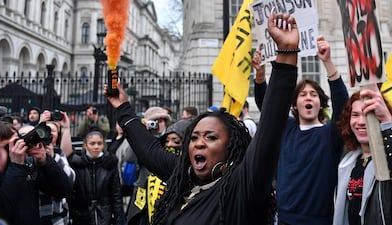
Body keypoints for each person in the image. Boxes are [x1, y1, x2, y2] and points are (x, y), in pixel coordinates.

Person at [105, 11, 299, 225]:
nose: (199, 143)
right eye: (195, 137)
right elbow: (149, 150)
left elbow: (270, 129)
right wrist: (123, 107)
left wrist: (286, 54)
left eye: (211, 137)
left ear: (230, 148)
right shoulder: (184, 176)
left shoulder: (240, 188)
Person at [253, 35, 349, 225]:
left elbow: (342, 105)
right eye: (303, 95)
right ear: (295, 105)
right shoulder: (286, 129)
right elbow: (268, 106)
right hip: (284, 220)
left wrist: (328, 62)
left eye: (313, 95)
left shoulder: (330, 135)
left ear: (321, 104)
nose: (308, 98)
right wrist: (260, 76)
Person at [334, 89, 392, 225]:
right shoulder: (347, 162)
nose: (360, 121)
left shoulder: (386, 162)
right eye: (355, 115)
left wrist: (388, 121)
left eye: (368, 115)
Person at [4, 123, 73, 225]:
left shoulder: (46, 159)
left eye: (34, 136)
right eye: (25, 135)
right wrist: (16, 163)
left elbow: (65, 190)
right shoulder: (7, 161)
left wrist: (46, 161)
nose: (30, 140)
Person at [68, 131, 124, 225]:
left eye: (99, 143)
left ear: (103, 145)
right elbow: (72, 193)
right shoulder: (77, 164)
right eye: (92, 144)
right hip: (82, 216)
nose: (96, 147)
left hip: (104, 216)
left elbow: (116, 194)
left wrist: (118, 219)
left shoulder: (110, 164)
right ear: (85, 145)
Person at [38, 110, 76, 225]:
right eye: (46, 130)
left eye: (53, 131)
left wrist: (52, 157)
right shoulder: (31, 151)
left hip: (57, 216)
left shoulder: (59, 153)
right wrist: (40, 124)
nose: (49, 133)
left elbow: (70, 178)